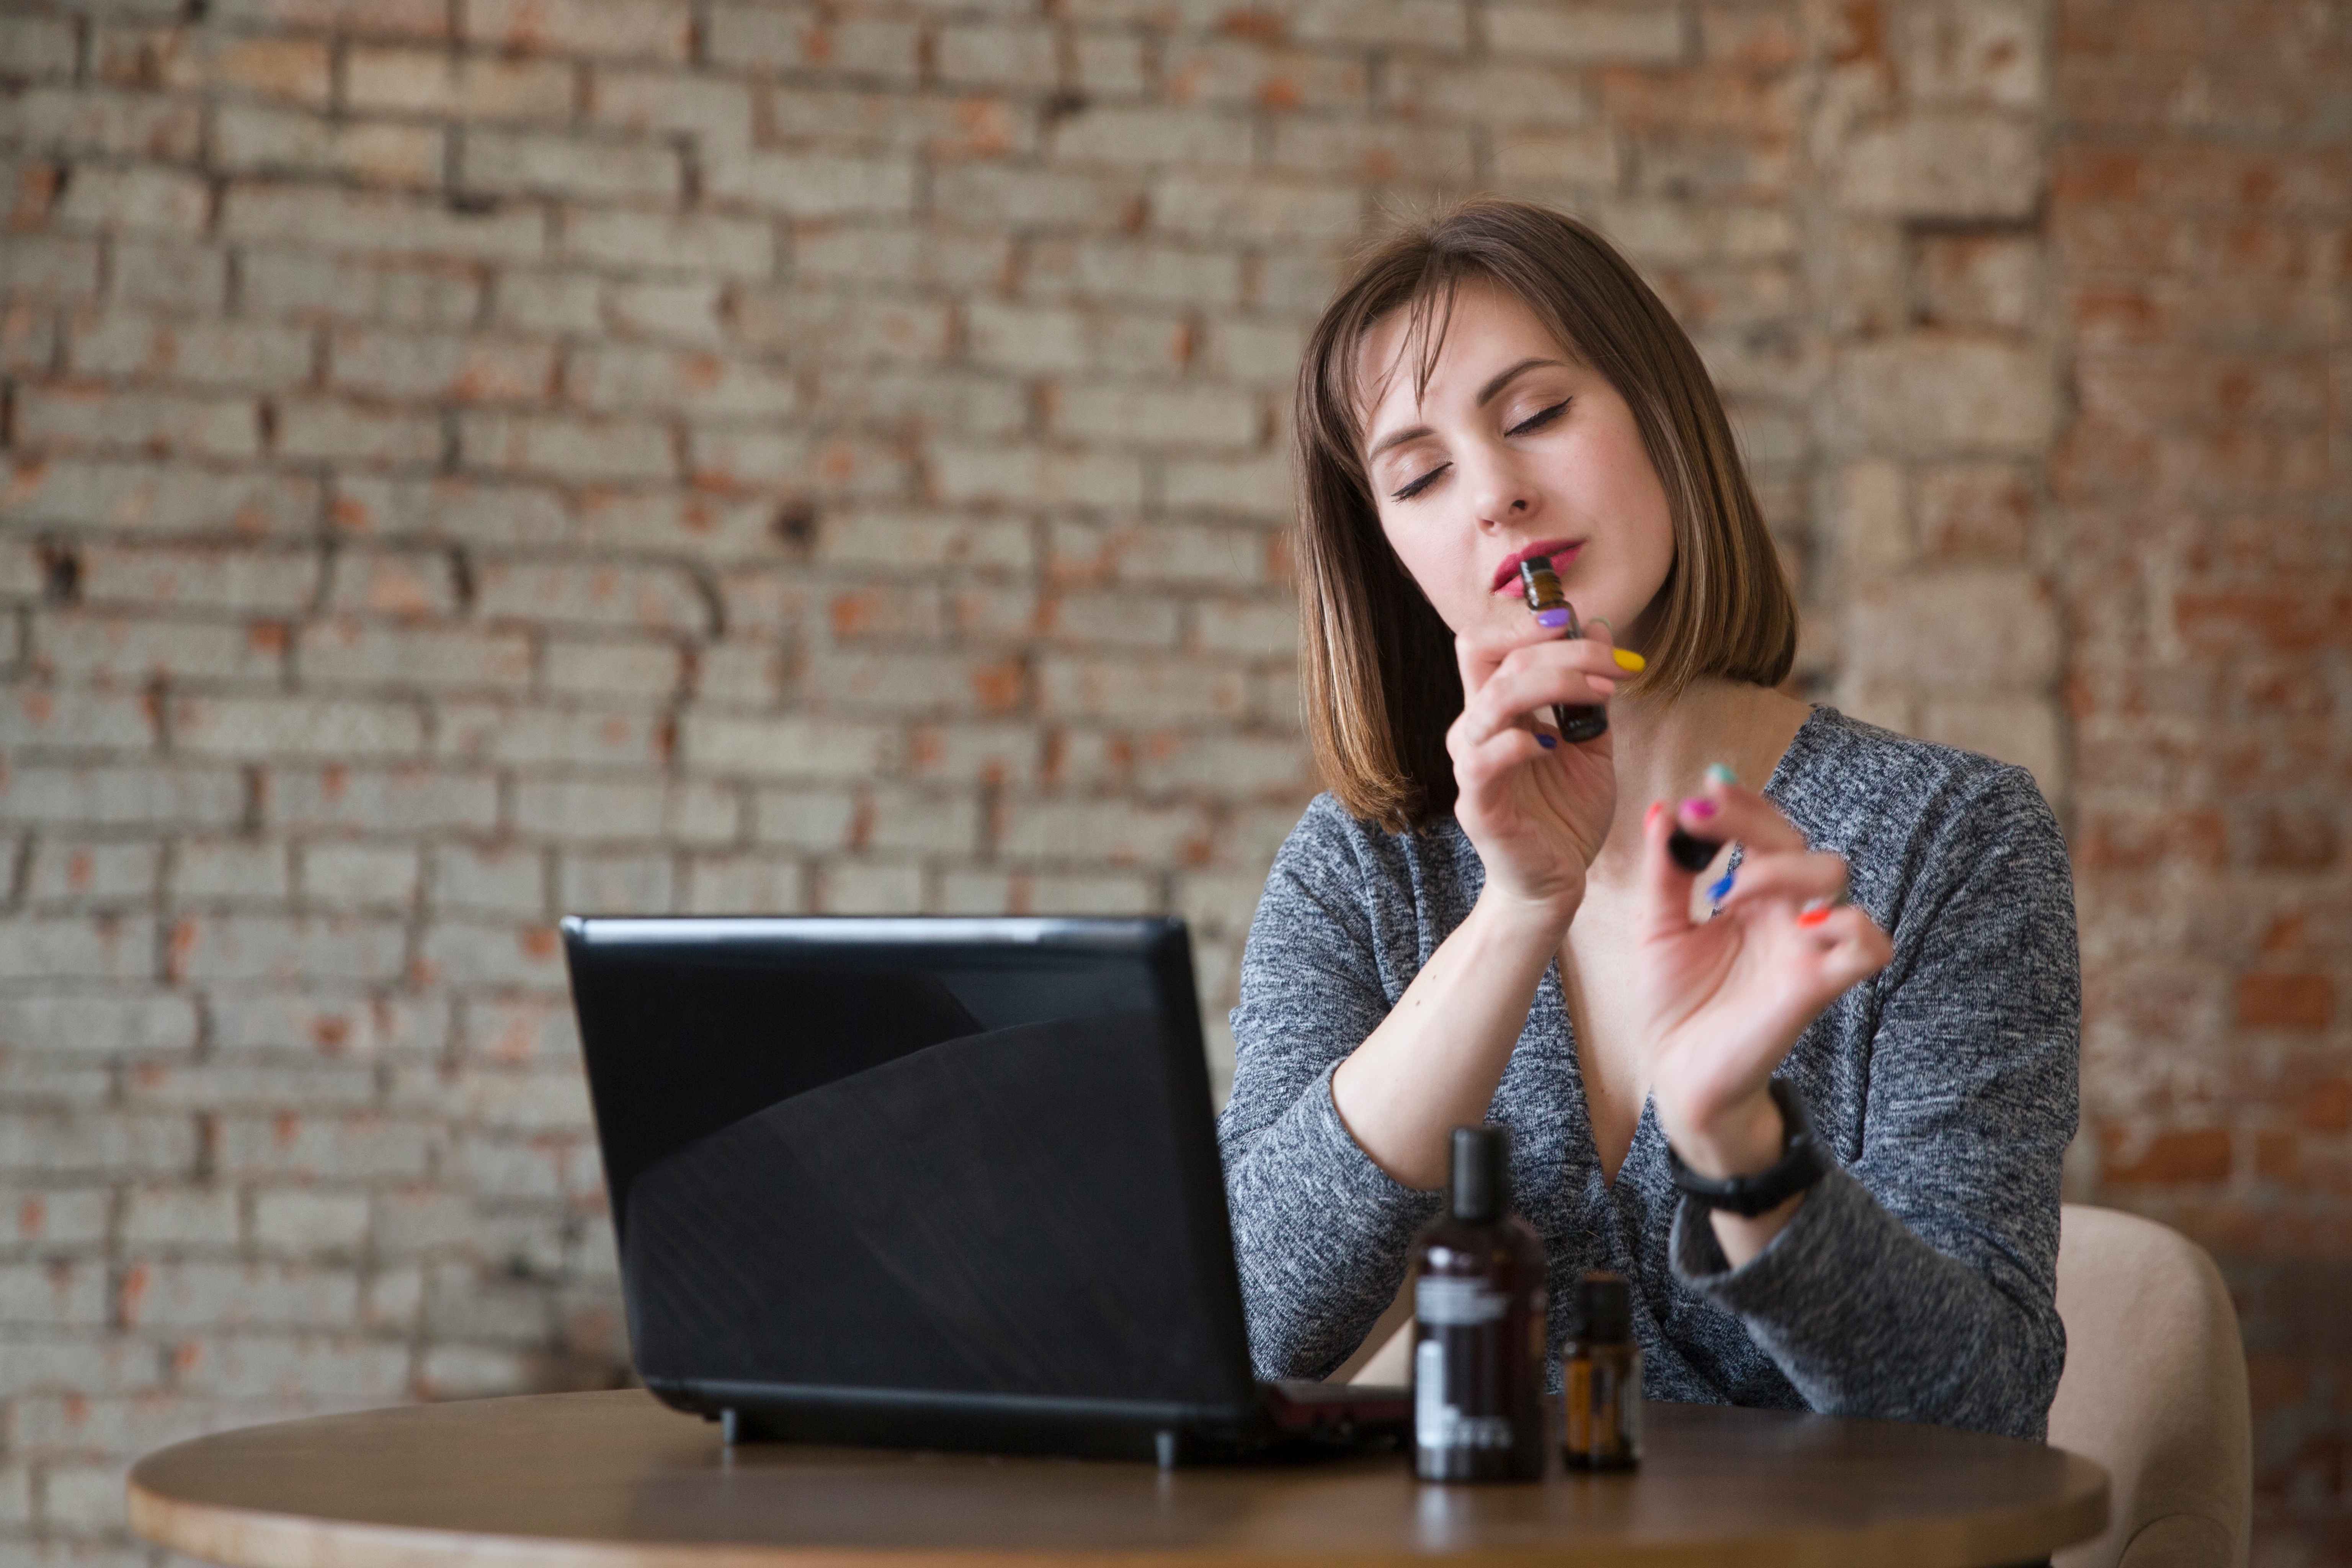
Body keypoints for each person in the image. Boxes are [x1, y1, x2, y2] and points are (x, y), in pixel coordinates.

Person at [1217, 198, 2079, 1442]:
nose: (1497, 495)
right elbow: (1250, 1328)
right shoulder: (1364, 867)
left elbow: (1980, 1415)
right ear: (1391, 551)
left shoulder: (1951, 838)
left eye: (1538, 416)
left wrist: (1741, 1147)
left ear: (1663, 422)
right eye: (1419, 474)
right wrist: (1517, 914)